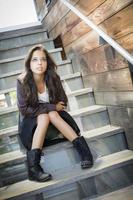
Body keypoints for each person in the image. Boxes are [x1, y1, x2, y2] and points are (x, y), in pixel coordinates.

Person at [17, 44, 93, 182]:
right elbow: (24, 109)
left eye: (43, 59)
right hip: (32, 122)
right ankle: (34, 168)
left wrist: (50, 108)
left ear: (47, 62)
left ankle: (85, 153)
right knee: (45, 116)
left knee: (51, 114)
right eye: (35, 59)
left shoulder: (53, 77)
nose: (39, 63)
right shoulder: (22, 81)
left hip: (55, 119)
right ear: (29, 63)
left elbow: (63, 102)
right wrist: (51, 106)